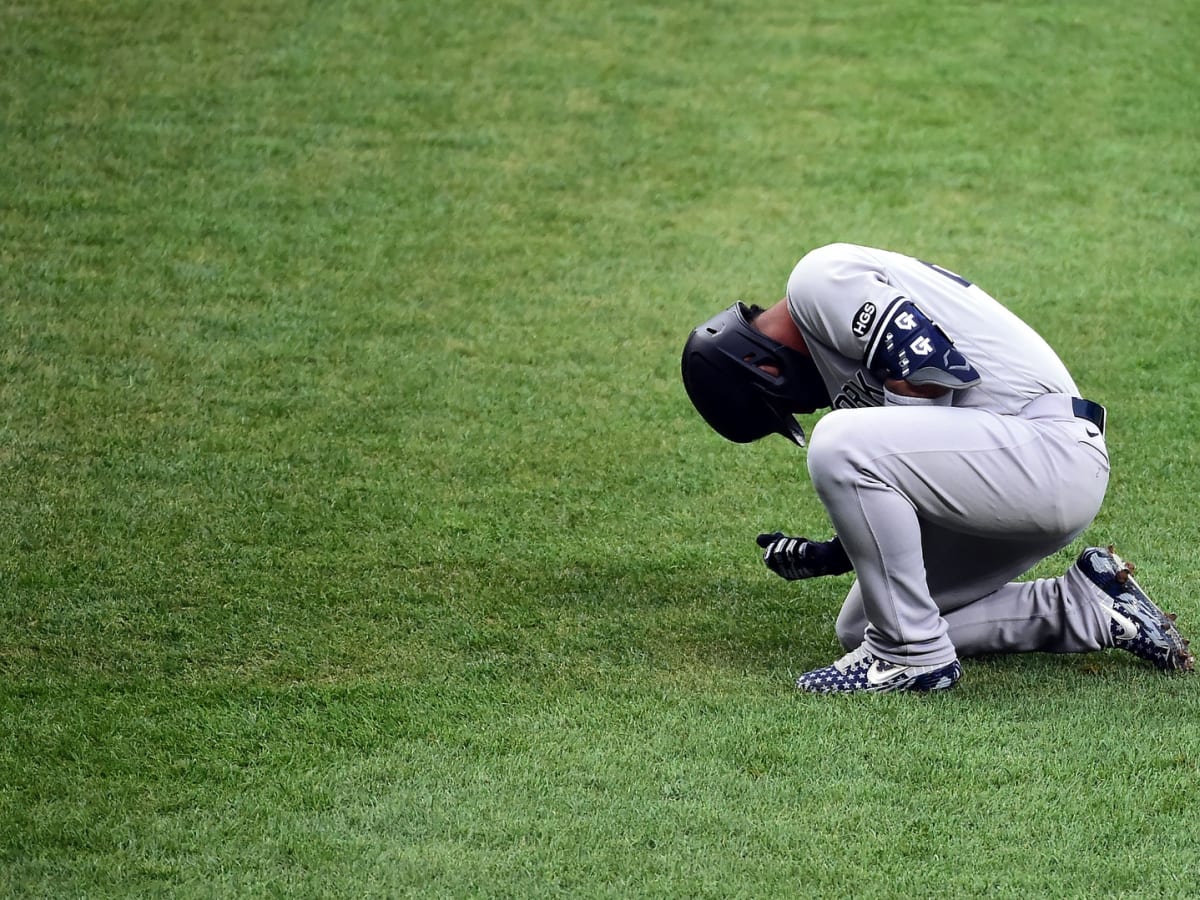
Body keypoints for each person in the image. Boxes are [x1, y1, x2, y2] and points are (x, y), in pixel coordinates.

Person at [681, 242, 1193, 693]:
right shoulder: (834, 345)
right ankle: (1086, 607)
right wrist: (837, 554)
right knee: (868, 622)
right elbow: (917, 465)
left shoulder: (820, 278)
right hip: (1015, 470)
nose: (804, 408)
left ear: (763, 369)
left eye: (783, 405)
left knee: (840, 441)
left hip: (1044, 451)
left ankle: (909, 658)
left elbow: (929, 371)